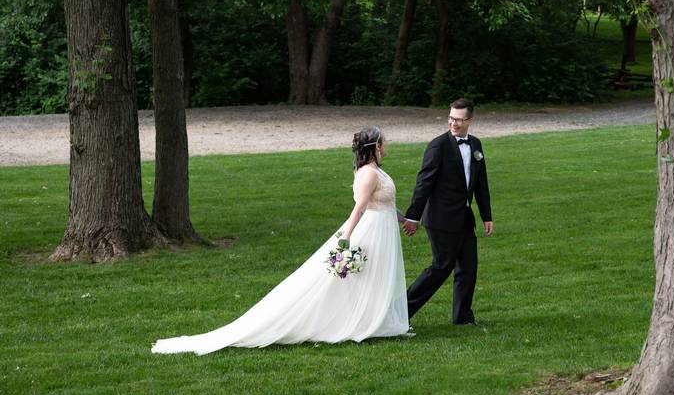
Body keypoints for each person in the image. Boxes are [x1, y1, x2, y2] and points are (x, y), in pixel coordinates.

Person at [151, 127, 409, 355]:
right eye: (384, 141)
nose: (387, 145)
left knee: (374, 277)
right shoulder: (369, 174)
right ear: (376, 146)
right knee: (355, 278)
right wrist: (347, 238)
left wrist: (404, 219)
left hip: (383, 228)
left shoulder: (376, 172)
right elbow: (360, 208)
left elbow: (384, 204)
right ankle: (356, 321)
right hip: (370, 231)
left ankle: (372, 319)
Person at [403, 98, 493, 326]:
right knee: (441, 267)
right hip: (440, 219)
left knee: (468, 269)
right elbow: (424, 183)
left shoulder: (476, 145)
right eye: (451, 118)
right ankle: (401, 311)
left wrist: (486, 216)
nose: (454, 123)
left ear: (470, 121)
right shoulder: (438, 146)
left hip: (464, 218)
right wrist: (413, 216)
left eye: (459, 120)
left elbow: (480, 183)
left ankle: (462, 317)